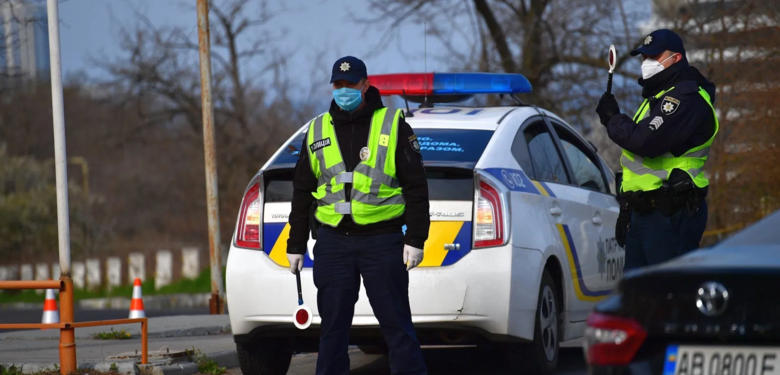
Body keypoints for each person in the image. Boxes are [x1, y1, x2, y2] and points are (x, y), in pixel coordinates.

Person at [286, 56, 429, 375]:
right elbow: (301, 191)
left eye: (350, 84)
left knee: (397, 328)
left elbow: (417, 187)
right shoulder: (317, 128)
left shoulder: (392, 124)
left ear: (365, 84)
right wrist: (295, 244)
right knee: (332, 332)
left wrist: (416, 238)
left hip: (382, 242)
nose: (344, 90)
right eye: (338, 84)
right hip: (334, 242)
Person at [595, 29, 718, 271]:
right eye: (644, 57)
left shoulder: (685, 98)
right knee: (639, 300)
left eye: (654, 56)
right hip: (645, 215)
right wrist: (628, 209)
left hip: (671, 213)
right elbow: (638, 164)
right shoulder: (659, 98)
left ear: (676, 58)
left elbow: (645, 142)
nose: (647, 63)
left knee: (669, 298)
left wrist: (613, 119)